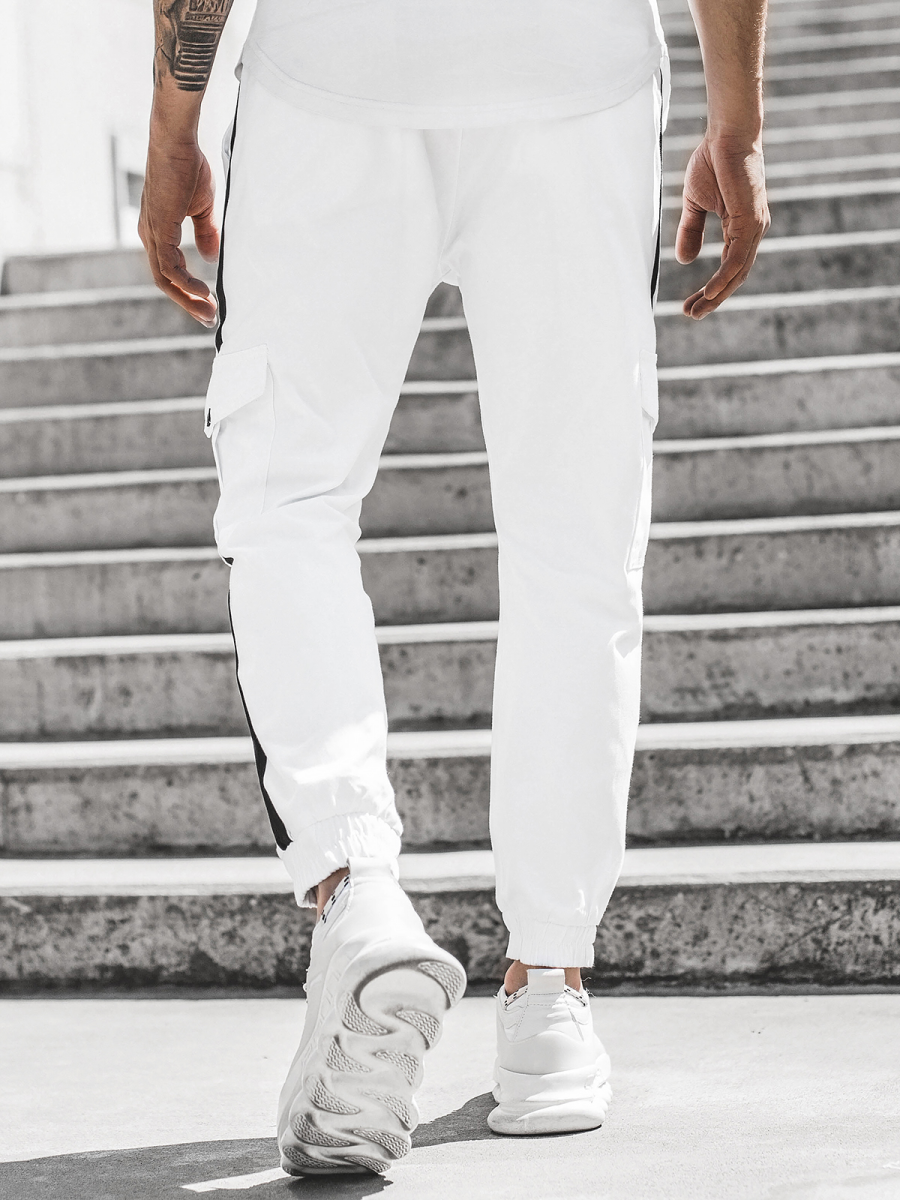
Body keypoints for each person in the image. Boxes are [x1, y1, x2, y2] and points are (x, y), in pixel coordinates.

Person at [140, 0, 769, 1174]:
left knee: (288, 498)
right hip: (578, 79)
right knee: (576, 540)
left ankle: (357, 894)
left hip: (330, 74)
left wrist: (174, 124)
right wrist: (737, 116)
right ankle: (548, 995)